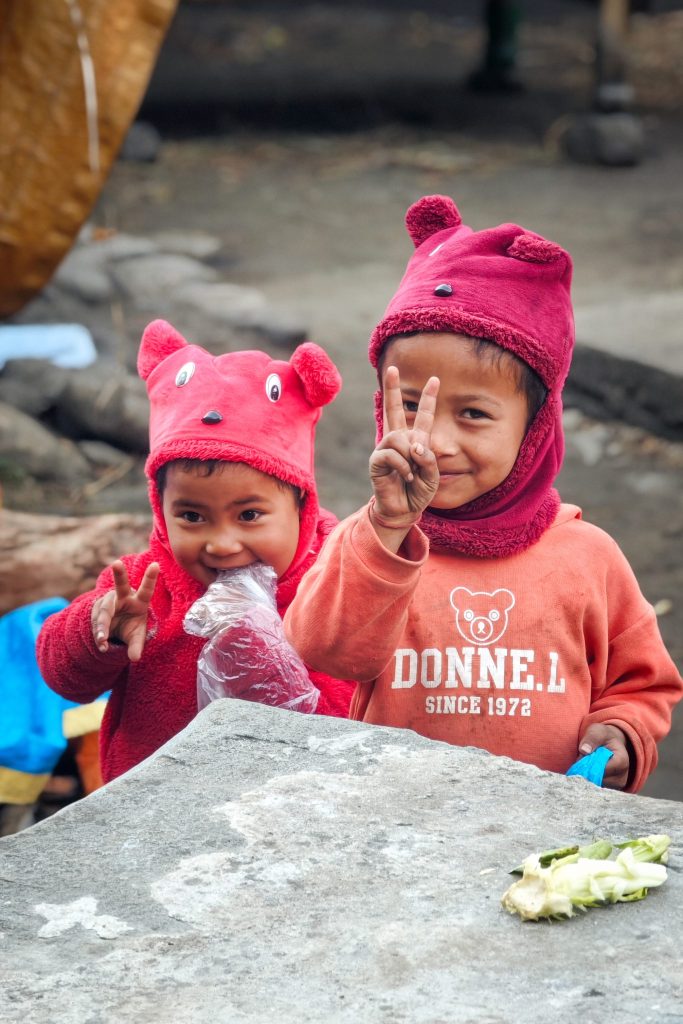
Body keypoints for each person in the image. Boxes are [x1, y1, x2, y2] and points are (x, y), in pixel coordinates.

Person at [284, 194, 683, 793]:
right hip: (394, 821)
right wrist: (387, 528)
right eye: (411, 406)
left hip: (545, 833)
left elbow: (643, 684)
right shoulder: (370, 546)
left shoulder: (589, 557)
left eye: (473, 413)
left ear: (535, 428)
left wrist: (624, 732)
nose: (435, 441)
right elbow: (324, 653)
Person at [38, 319, 354, 783]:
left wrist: (268, 664)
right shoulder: (141, 588)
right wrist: (101, 631)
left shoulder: (336, 589)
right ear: (159, 508)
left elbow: (357, 721)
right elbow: (64, 679)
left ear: (302, 507)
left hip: (293, 804)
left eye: (249, 515)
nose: (222, 544)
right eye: (191, 516)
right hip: (153, 808)